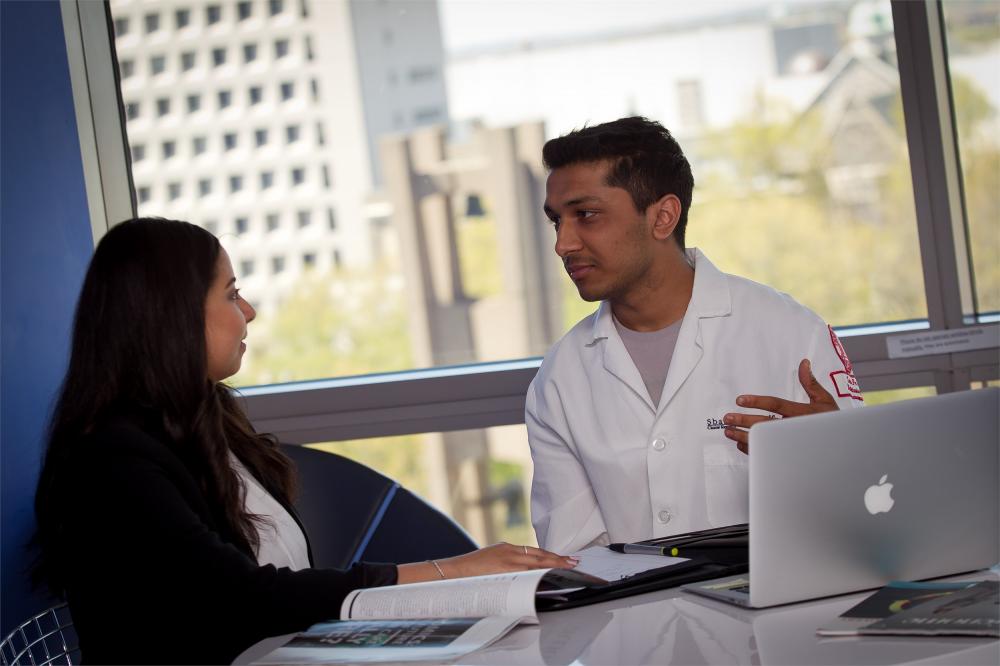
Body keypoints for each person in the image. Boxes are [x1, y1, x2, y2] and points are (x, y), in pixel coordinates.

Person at [31, 218, 576, 664]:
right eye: (231, 294)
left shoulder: (210, 420)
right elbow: (241, 597)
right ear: (170, 318)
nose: (249, 312)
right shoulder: (111, 461)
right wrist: (450, 571)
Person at [526, 117, 863, 554]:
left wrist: (836, 457)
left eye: (585, 215)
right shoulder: (560, 378)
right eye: (557, 221)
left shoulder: (792, 333)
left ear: (663, 216)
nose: (563, 244)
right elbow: (575, 557)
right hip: (635, 621)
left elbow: (870, 507)